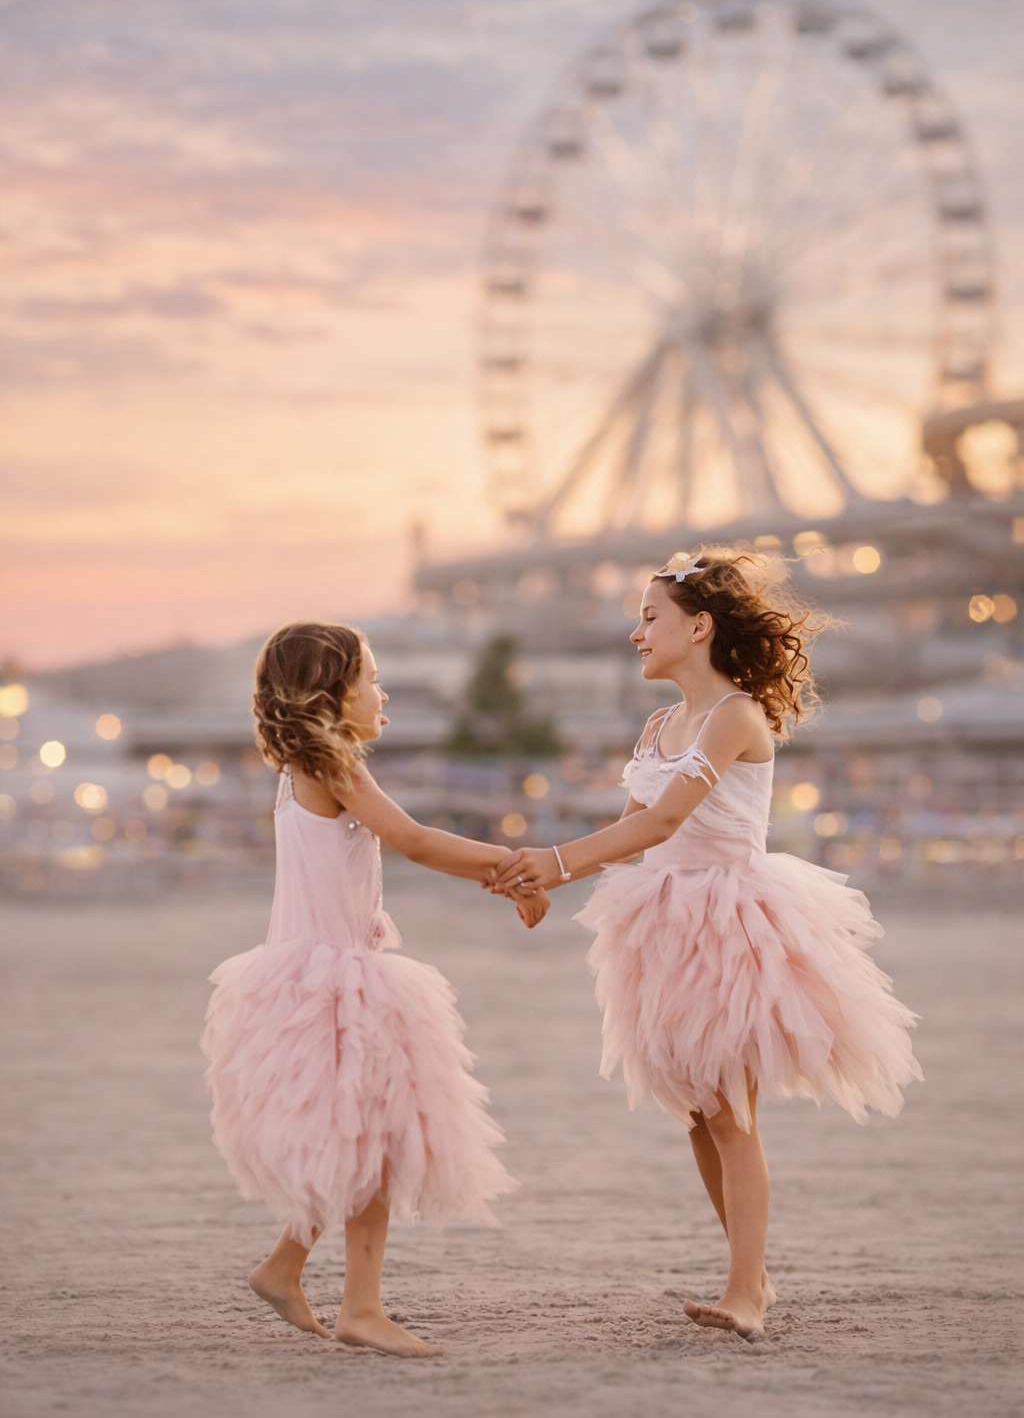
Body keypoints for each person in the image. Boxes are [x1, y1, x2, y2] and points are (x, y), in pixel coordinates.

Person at [493, 550, 922, 1342]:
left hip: (728, 925)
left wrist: (551, 861)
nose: (635, 634)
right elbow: (629, 836)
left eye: (650, 618)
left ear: (699, 627)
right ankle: (747, 1275)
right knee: (696, 1113)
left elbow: (665, 822)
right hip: (663, 928)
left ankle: (746, 1294)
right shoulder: (659, 727)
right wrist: (545, 884)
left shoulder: (735, 715)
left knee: (729, 1115)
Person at [202, 621, 546, 1358]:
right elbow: (417, 840)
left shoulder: (302, 768)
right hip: (337, 981)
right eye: (372, 680)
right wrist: (519, 864)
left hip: (305, 974)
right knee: (374, 1140)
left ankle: (285, 1267)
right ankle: (360, 1308)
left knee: (355, 1138)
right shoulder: (335, 767)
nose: (382, 692)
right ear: (332, 695)